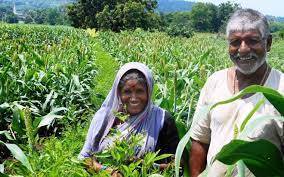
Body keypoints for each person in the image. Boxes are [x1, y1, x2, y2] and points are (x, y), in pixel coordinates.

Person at [189, 9, 284, 177]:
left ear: (268, 43)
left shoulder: (280, 88)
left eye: (253, 40)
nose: (243, 49)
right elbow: (200, 140)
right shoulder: (214, 82)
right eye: (235, 42)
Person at [78, 62, 179, 176]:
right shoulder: (104, 118)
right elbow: (84, 158)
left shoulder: (162, 120)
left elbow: (176, 166)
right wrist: (106, 171)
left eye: (140, 91)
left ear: (149, 91)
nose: (134, 98)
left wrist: (144, 165)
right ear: (119, 93)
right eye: (127, 92)